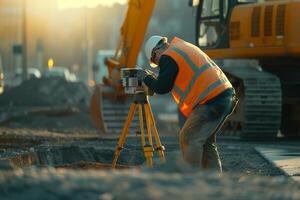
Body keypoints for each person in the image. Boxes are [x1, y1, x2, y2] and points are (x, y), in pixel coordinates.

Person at [138, 35, 238, 174]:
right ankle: (214, 181)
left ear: (156, 51)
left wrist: (145, 77)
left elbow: (162, 87)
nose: (158, 64)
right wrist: (152, 79)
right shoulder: (180, 48)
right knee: (206, 142)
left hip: (211, 99)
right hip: (225, 96)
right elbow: (168, 80)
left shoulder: (169, 56)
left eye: (155, 61)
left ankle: (191, 179)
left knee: (189, 136)